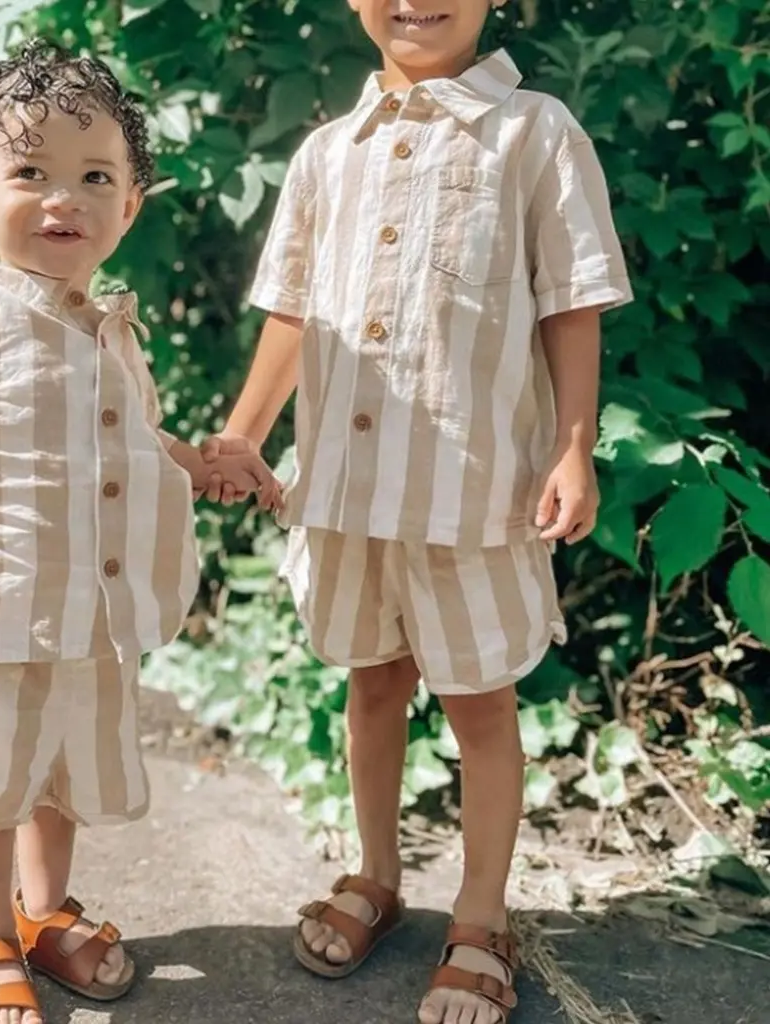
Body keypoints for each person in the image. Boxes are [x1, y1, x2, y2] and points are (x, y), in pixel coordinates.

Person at [200, 2, 632, 1022]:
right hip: (348, 487)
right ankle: (376, 872)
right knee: (372, 682)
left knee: (480, 703)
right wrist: (243, 433)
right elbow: (293, 310)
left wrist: (573, 445)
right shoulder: (324, 152)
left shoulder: (537, 133)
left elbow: (570, 298)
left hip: (469, 489)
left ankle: (480, 919)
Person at [0, 39, 280, 1024]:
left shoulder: (110, 323)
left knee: (56, 771)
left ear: (129, 206)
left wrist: (195, 462)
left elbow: (126, 442)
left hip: (88, 608)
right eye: (28, 171)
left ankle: (43, 915)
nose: (61, 198)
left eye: (94, 177)